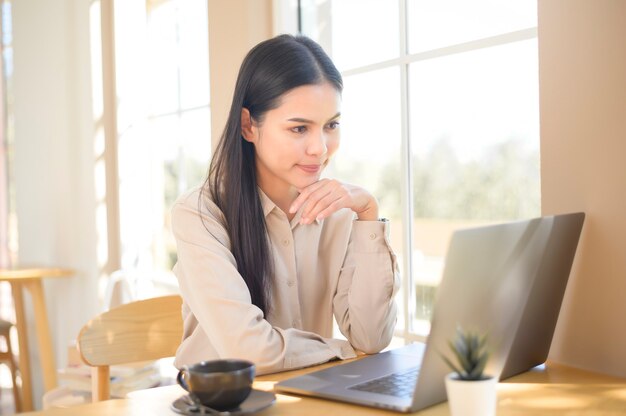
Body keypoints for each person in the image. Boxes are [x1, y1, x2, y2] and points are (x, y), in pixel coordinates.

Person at [172, 34, 399, 375]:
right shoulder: (200, 213)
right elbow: (250, 352)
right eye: (298, 128)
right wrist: (339, 350)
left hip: (305, 399)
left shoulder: (338, 212)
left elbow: (371, 338)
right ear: (248, 125)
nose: (320, 148)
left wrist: (368, 213)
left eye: (331, 125)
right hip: (219, 406)